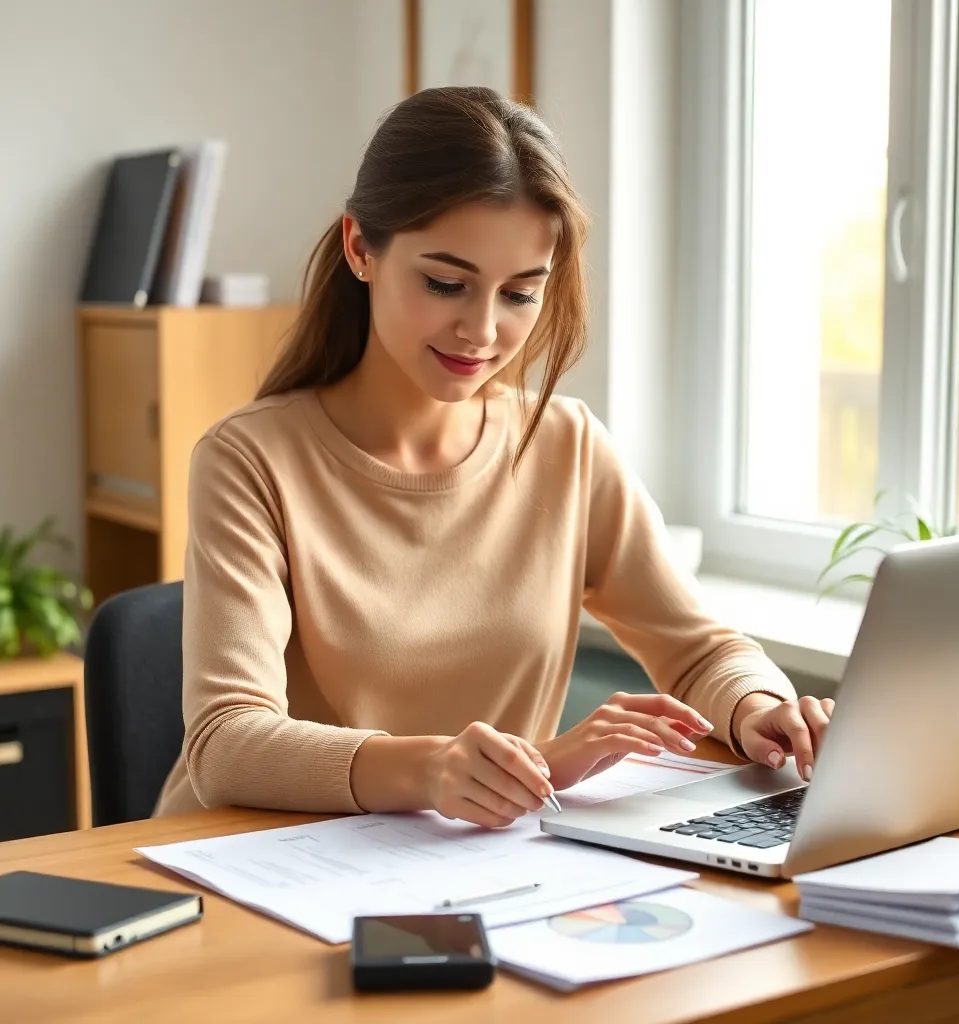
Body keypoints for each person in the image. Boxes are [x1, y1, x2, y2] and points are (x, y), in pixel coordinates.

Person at [154, 86, 833, 828]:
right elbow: (225, 745)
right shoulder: (250, 461)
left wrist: (760, 709)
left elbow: (699, 652)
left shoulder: (565, 446)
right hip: (264, 861)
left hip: (473, 860)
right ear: (360, 249)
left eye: (519, 294)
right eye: (446, 283)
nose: (480, 330)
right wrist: (434, 770)